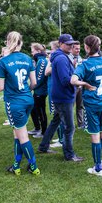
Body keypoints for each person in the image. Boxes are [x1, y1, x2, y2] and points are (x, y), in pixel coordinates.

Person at [0, 31, 40, 176]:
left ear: (8, 42)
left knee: (22, 136)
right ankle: (16, 165)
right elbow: (34, 83)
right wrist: (25, 90)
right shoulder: (28, 59)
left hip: (14, 102)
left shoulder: (3, 61)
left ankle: (33, 166)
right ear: (21, 42)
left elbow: (0, 87)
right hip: (28, 100)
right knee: (17, 133)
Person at [38, 34, 84, 162]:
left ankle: (43, 146)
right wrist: (79, 82)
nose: (71, 46)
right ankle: (69, 155)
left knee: (55, 122)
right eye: (68, 44)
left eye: (72, 44)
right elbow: (65, 80)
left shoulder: (60, 56)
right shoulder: (62, 58)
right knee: (69, 127)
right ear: (60, 43)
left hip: (60, 96)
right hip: (64, 97)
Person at [71, 35, 102, 176]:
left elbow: (73, 80)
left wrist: (85, 84)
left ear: (87, 47)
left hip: (92, 104)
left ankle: (97, 168)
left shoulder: (85, 64)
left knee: (95, 136)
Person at [44, 41, 64, 148]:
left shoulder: (56, 59)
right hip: (53, 88)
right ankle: (61, 137)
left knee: (58, 116)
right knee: (58, 116)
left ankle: (61, 140)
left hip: (54, 90)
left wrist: (49, 60)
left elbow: (46, 72)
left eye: (51, 48)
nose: (50, 51)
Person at [28, 43, 48, 138]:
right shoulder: (39, 60)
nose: (32, 53)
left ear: (39, 51)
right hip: (37, 91)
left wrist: (30, 88)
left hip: (41, 91)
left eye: (33, 51)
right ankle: (37, 128)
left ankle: (44, 132)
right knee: (33, 109)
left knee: (41, 111)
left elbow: (38, 79)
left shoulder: (42, 61)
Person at [68, 42, 84, 129]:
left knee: (80, 106)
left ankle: (80, 124)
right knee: (70, 106)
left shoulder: (80, 58)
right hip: (72, 86)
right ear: (72, 49)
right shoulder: (68, 58)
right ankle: (70, 124)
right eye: (76, 48)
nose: (78, 50)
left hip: (80, 86)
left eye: (79, 48)